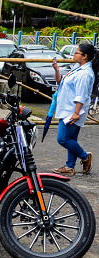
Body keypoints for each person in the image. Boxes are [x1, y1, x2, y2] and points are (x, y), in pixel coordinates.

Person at [51, 43, 99, 176]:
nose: (74, 54)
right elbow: (61, 82)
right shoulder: (77, 68)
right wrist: (57, 70)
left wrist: (76, 113)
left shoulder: (85, 74)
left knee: (63, 139)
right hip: (68, 109)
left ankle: (84, 156)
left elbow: (81, 95)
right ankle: (69, 166)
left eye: (77, 52)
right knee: (71, 138)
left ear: (84, 56)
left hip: (72, 111)